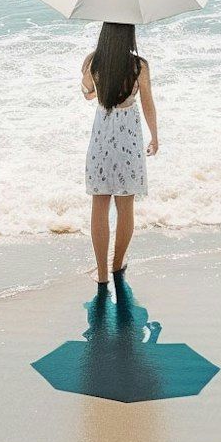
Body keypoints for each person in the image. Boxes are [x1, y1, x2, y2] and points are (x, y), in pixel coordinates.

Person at [80, 20, 158, 294]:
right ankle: (117, 264)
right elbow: (147, 101)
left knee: (99, 205)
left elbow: (88, 93)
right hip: (128, 136)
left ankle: (101, 274)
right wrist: (155, 136)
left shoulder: (92, 61)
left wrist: (88, 84)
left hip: (101, 134)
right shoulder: (139, 66)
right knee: (126, 207)